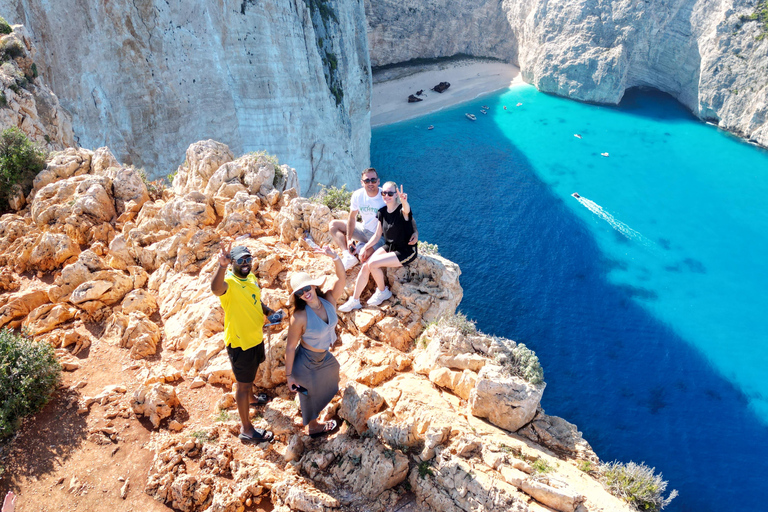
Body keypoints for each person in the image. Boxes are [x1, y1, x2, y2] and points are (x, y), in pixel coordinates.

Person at [211, 242, 275, 444]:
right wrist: (221, 266)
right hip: (240, 344)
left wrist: (268, 312)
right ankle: (246, 429)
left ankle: (252, 399)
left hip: (255, 338)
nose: (246, 263)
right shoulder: (229, 282)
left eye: (249, 259)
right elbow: (216, 288)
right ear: (232, 263)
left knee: (251, 376)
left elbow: (255, 300)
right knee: (242, 385)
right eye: (241, 260)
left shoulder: (250, 278)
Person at [284, 245, 346, 437]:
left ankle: (319, 409)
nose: (305, 293)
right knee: (308, 394)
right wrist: (289, 376)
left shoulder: (329, 299)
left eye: (307, 288)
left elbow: (342, 279)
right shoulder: (300, 316)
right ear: (298, 296)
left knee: (334, 373)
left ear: (313, 285)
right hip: (306, 361)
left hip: (323, 356)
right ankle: (313, 426)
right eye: (300, 292)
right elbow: (290, 346)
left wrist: (335, 257)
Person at [339, 182, 417, 312]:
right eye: (384, 193)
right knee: (366, 266)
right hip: (390, 246)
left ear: (396, 194)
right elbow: (377, 235)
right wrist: (365, 247)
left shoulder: (401, 211)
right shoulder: (382, 212)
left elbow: (407, 212)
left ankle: (383, 291)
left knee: (373, 264)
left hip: (405, 251)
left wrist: (404, 202)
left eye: (390, 193)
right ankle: (355, 300)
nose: (386, 195)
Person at [328, 168, 391, 270]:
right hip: (363, 230)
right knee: (333, 225)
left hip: (378, 237)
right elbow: (352, 218)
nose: (370, 183)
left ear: (378, 181)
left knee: (363, 256)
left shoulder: (384, 197)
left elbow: (400, 214)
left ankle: (361, 249)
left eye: (373, 180)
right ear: (362, 182)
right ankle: (347, 256)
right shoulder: (358, 195)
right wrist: (348, 240)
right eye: (367, 180)